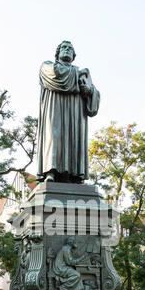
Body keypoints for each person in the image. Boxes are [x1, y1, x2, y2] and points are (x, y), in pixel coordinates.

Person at [37, 41, 100, 183]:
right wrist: (77, 75)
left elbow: (94, 98)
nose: (67, 50)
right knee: (54, 137)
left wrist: (89, 91)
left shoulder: (83, 74)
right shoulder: (47, 66)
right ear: (57, 53)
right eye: (64, 48)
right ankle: (50, 172)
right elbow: (57, 76)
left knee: (74, 138)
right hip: (55, 108)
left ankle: (75, 174)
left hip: (76, 113)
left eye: (70, 48)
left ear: (74, 55)